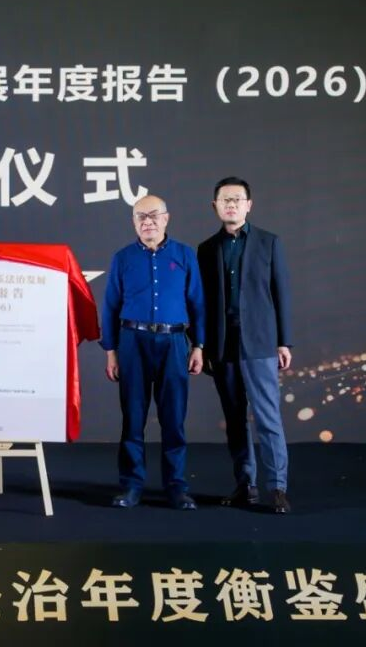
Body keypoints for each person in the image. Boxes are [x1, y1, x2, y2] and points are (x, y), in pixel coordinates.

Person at [101, 194, 205, 510]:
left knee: (174, 419)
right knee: (133, 418)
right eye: (140, 217)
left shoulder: (184, 255)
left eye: (153, 215)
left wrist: (198, 346)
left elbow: (197, 304)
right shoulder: (122, 258)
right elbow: (110, 306)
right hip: (132, 341)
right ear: (134, 222)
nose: (147, 222)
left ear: (166, 218)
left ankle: (176, 487)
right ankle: (132, 486)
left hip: (174, 342)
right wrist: (111, 351)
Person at [197, 177, 293, 514]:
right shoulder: (207, 249)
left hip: (261, 343)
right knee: (235, 418)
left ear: (248, 205)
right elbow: (203, 302)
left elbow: (281, 293)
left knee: (268, 418)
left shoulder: (269, 242)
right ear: (215, 206)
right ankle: (245, 485)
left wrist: (284, 341)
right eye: (225, 199)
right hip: (223, 345)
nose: (231, 204)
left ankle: (277, 488)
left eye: (237, 199)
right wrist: (202, 345)